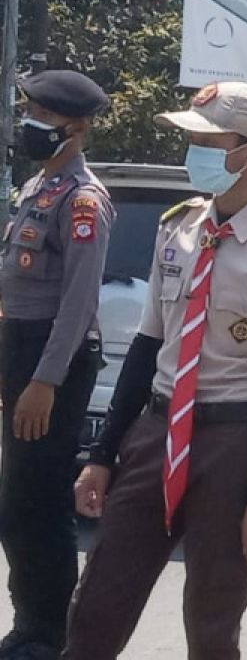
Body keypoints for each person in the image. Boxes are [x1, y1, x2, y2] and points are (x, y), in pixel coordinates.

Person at [63, 81, 247, 659]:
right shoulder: (176, 227)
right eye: (191, 138)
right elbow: (146, 346)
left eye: (208, 140)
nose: (194, 151)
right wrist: (103, 456)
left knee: (213, 617)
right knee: (98, 603)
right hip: (157, 433)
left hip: (231, 442)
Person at [0, 70, 113, 660]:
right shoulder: (34, 188)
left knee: (40, 501)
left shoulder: (83, 199)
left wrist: (45, 381)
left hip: (54, 360)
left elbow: (78, 302)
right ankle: (30, 622)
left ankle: (52, 635)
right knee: (16, 500)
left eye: (42, 116)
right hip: (21, 350)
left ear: (76, 128)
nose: (31, 125)